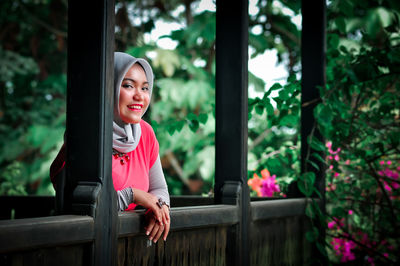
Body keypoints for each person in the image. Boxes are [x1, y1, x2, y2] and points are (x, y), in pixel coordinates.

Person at [50, 52, 170, 243]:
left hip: (129, 247)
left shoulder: (145, 133)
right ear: (108, 88)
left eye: (145, 88)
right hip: (82, 246)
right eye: (128, 85)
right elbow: (82, 205)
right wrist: (133, 195)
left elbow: (159, 189)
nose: (139, 96)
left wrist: (160, 209)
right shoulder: (86, 133)